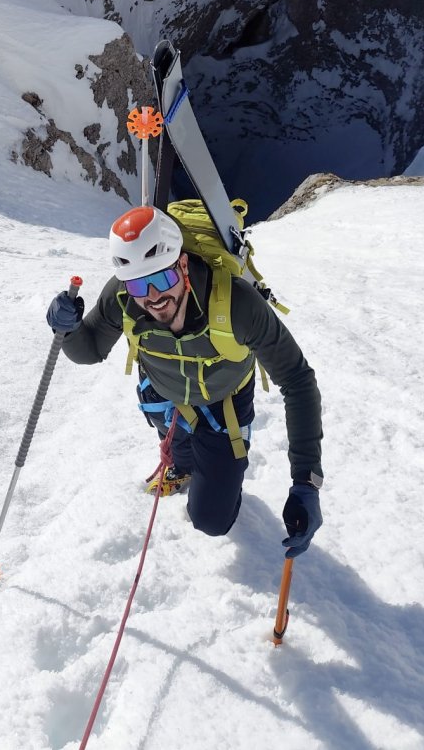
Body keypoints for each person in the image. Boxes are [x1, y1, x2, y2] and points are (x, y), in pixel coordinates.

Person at [46, 204, 323, 557]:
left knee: (210, 521)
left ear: (183, 265)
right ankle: (183, 461)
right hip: (165, 392)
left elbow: (297, 380)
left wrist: (306, 482)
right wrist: (66, 330)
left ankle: (212, 465)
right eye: (138, 285)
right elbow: (89, 351)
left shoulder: (237, 304)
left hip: (223, 402)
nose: (154, 298)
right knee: (176, 436)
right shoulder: (122, 295)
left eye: (162, 279)